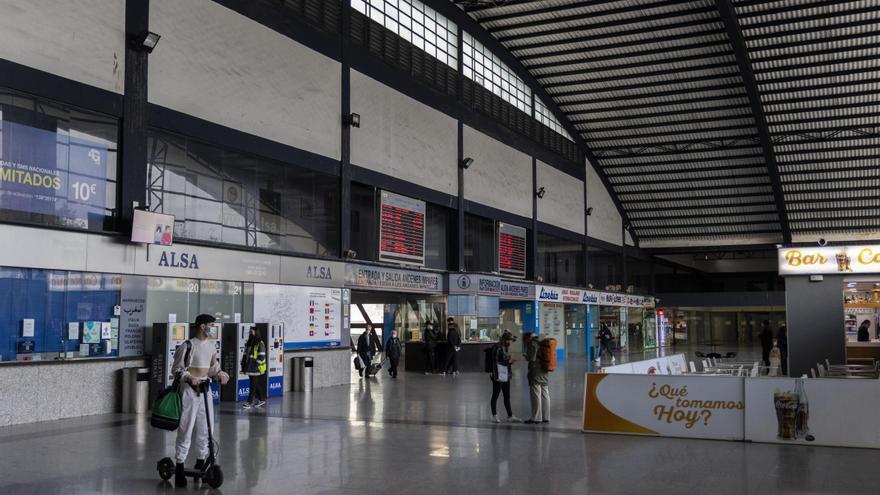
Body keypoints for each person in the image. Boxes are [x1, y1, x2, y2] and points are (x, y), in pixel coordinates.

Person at [170, 314, 229, 488]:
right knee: (186, 427)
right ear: (202, 326)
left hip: (205, 390)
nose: (213, 328)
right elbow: (177, 370)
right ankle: (180, 465)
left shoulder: (211, 346)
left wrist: (220, 375)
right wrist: (189, 378)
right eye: (211, 325)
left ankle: (200, 461)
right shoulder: (188, 345)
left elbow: (213, 368)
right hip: (189, 390)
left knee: (206, 427)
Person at [489, 331, 521, 423]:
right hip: (498, 375)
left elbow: (503, 359)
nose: (510, 343)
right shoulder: (497, 347)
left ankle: (510, 415)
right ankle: (494, 415)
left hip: (506, 375)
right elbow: (495, 363)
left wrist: (508, 360)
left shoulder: (505, 347)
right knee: (495, 396)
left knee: (507, 396)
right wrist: (508, 362)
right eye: (509, 341)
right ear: (504, 340)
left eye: (511, 341)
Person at [523, 333, 550, 425]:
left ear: (528, 339)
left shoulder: (533, 343)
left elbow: (531, 358)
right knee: (545, 393)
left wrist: (526, 356)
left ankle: (536, 418)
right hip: (545, 370)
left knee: (536, 394)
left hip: (536, 371)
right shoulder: (542, 342)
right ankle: (546, 417)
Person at [241, 326, 267, 409]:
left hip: (255, 368)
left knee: (253, 385)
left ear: (256, 332)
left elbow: (261, 356)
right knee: (255, 384)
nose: (250, 333)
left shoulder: (260, 343)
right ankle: (261, 399)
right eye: (250, 331)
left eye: (251, 331)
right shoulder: (249, 342)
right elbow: (246, 355)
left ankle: (249, 402)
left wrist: (256, 365)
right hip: (249, 367)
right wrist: (243, 364)